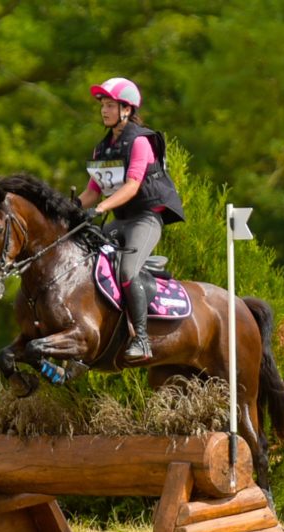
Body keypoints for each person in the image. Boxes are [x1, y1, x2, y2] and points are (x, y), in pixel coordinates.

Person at [76, 77, 185, 361]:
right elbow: (93, 191)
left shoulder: (140, 141)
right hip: (120, 220)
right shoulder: (102, 149)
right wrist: (68, 208)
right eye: (103, 105)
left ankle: (142, 339)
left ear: (126, 109)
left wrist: (100, 210)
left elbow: (132, 186)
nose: (104, 110)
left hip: (145, 220)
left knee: (127, 272)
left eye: (110, 105)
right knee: (85, 260)